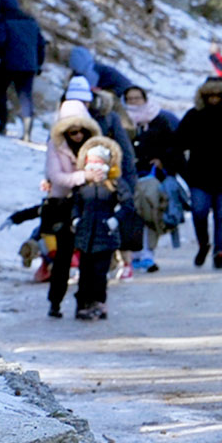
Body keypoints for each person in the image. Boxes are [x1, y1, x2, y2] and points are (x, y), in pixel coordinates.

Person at [42, 89, 103, 316]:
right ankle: (55, 301)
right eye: (72, 131)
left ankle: (83, 302)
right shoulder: (55, 145)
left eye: (81, 130)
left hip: (89, 204)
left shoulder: (96, 146)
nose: (77, 135)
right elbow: (56, 176)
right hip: (62, 204)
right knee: (63, 256)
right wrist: (83, 176)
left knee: (88, 255)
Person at [175, 77, 222, 269]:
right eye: (210, 95)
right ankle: (203, 244)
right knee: (199, 212)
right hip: (199, 173)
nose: (214, 98)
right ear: (203, 96)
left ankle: (220, 253)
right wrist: (182, 168)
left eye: (218, 95)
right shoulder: (193, 116)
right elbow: (178, 143)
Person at [67, 136, 129, 322]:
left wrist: (115, 220)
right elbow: (75, 204)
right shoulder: (82, 185)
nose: (94, 167)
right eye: (91, 163)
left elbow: (128, 205)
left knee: (100, 273)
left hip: (105, 234)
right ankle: (82, 304)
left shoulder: (114, 184)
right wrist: (76, 219)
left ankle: (98, 303)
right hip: (85, 234)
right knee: (85, 272)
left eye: (98, 163)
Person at [124, 85, 181, 272]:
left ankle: (148, 253)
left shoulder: (159, 119)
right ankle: (133, 255)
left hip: (152, 175)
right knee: (132, 213)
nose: (134, 102)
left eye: (137, 98)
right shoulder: (121, 121)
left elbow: (172, 146)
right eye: (130, 99)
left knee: (150, 212)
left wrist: (163, 161)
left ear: (144, 99)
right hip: (128, 175)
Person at [0, 0, 47, 138]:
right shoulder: (31, 22)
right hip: (29, 66)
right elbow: (41, 44)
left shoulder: (4, 21)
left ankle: (2, 124)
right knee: (25, 97)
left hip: (9, 65)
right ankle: (27, 132)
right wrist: (39, 64)